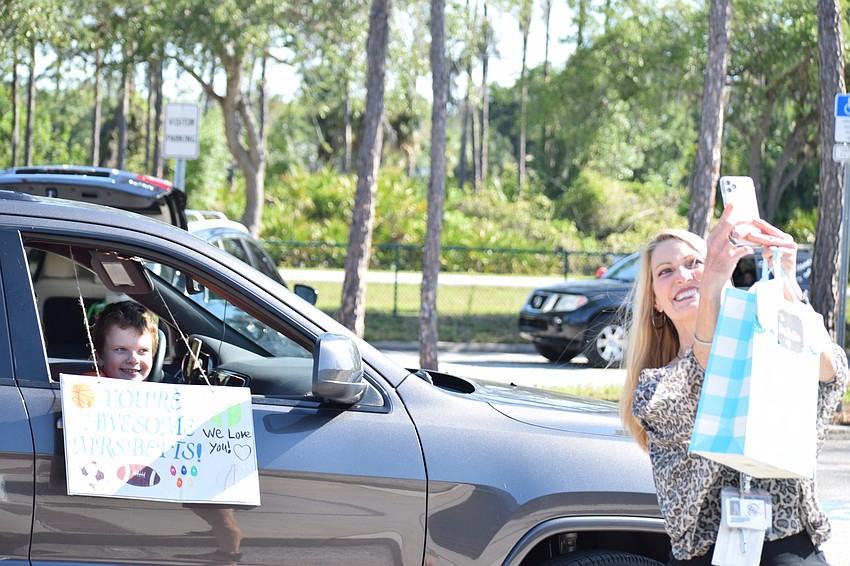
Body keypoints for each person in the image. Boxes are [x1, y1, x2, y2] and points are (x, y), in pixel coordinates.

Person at [620, 205, 849, 565]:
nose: (683, 275)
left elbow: (830, 374)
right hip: (707, 553)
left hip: (788, 543)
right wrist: (709, 280)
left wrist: (787, 286)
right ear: (655, 301)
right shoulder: (655, 390)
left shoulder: (764, 341)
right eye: (666, 271)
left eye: (694, 263)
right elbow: (707, 382)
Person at [91, 300, 158, 381]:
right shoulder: (88, 389)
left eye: (143, 350)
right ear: (99, 357)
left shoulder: (166, 390)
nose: (133, 360)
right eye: (121, 349)